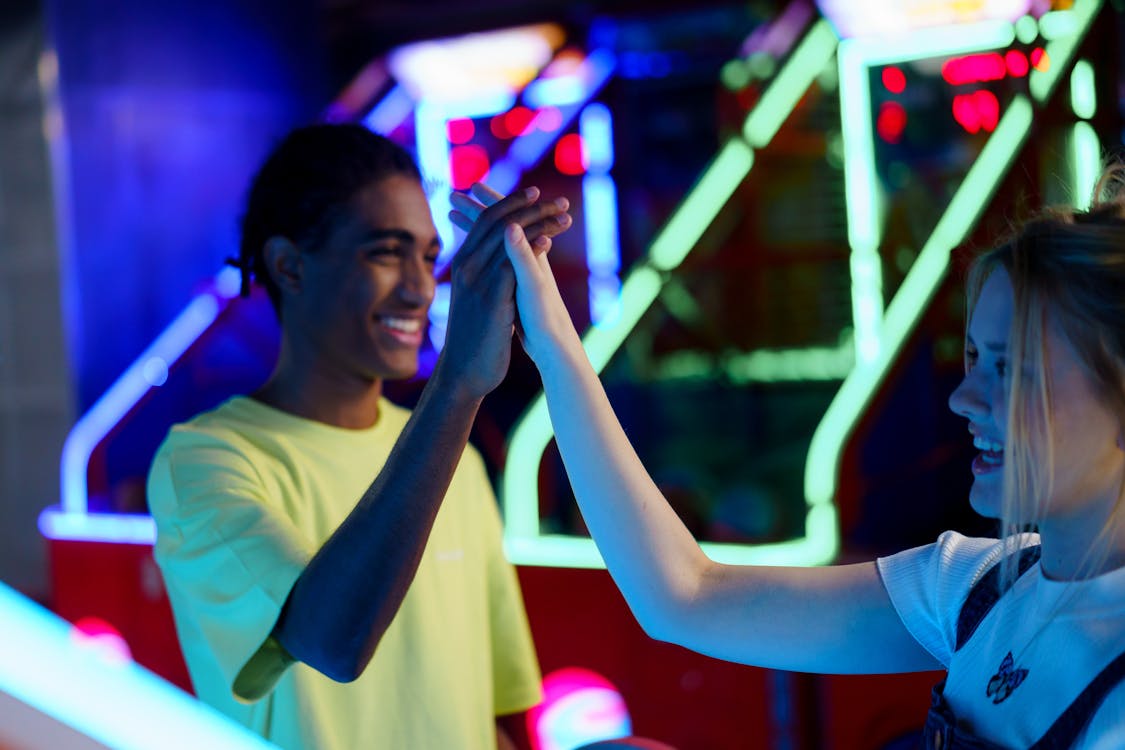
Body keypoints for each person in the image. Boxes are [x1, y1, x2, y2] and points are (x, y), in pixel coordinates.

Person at [452, 166, 1125, 748]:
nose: (963, 398)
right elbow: (683, 596)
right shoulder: (976, 587)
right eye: (974, 358)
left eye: (1012, 370)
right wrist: (550, 340)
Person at [147, 123, 572, 750]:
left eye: (429, 256)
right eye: (384, 252)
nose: (421, 288)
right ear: (289, 266)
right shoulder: (207, 460)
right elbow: (333, 642)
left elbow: (488, 719)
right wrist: (458, 383)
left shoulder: (459, 460)